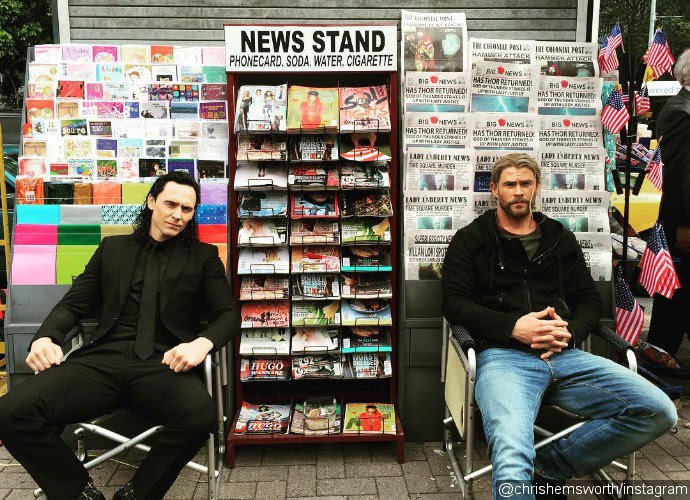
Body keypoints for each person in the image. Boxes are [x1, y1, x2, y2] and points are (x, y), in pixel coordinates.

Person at [441, 153, 676, 499]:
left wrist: (572, 331)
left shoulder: (558, 237)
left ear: (536, 187)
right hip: (504, 359)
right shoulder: (471, 239)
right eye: (510, 184)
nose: (518, 191)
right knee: (511, 455)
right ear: (494, 190)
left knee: (659, 411)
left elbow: (590, 300)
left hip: (565, 356)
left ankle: (551, 466)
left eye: (525, 183)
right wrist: (512, 327)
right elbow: (454, 303)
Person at [0, 172, 240, 500]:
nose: (178, 215)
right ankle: (78, 493)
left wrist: (201, 344)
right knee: (10, 413)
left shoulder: (203, 256)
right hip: (103, 359)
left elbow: (228, 314)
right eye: (171, 204)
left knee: (199, 416)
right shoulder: (112, 249)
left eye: (187, 209)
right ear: (152, 201)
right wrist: (46, 338)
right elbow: (74, 304)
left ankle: (135, 495)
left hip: (164, 363)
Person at [647, 48, 690, 357]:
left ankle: (659, 355)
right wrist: (685, 224)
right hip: (682, 224)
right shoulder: (680, 112)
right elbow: (680, 174)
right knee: (676, 293)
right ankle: (657, 357)